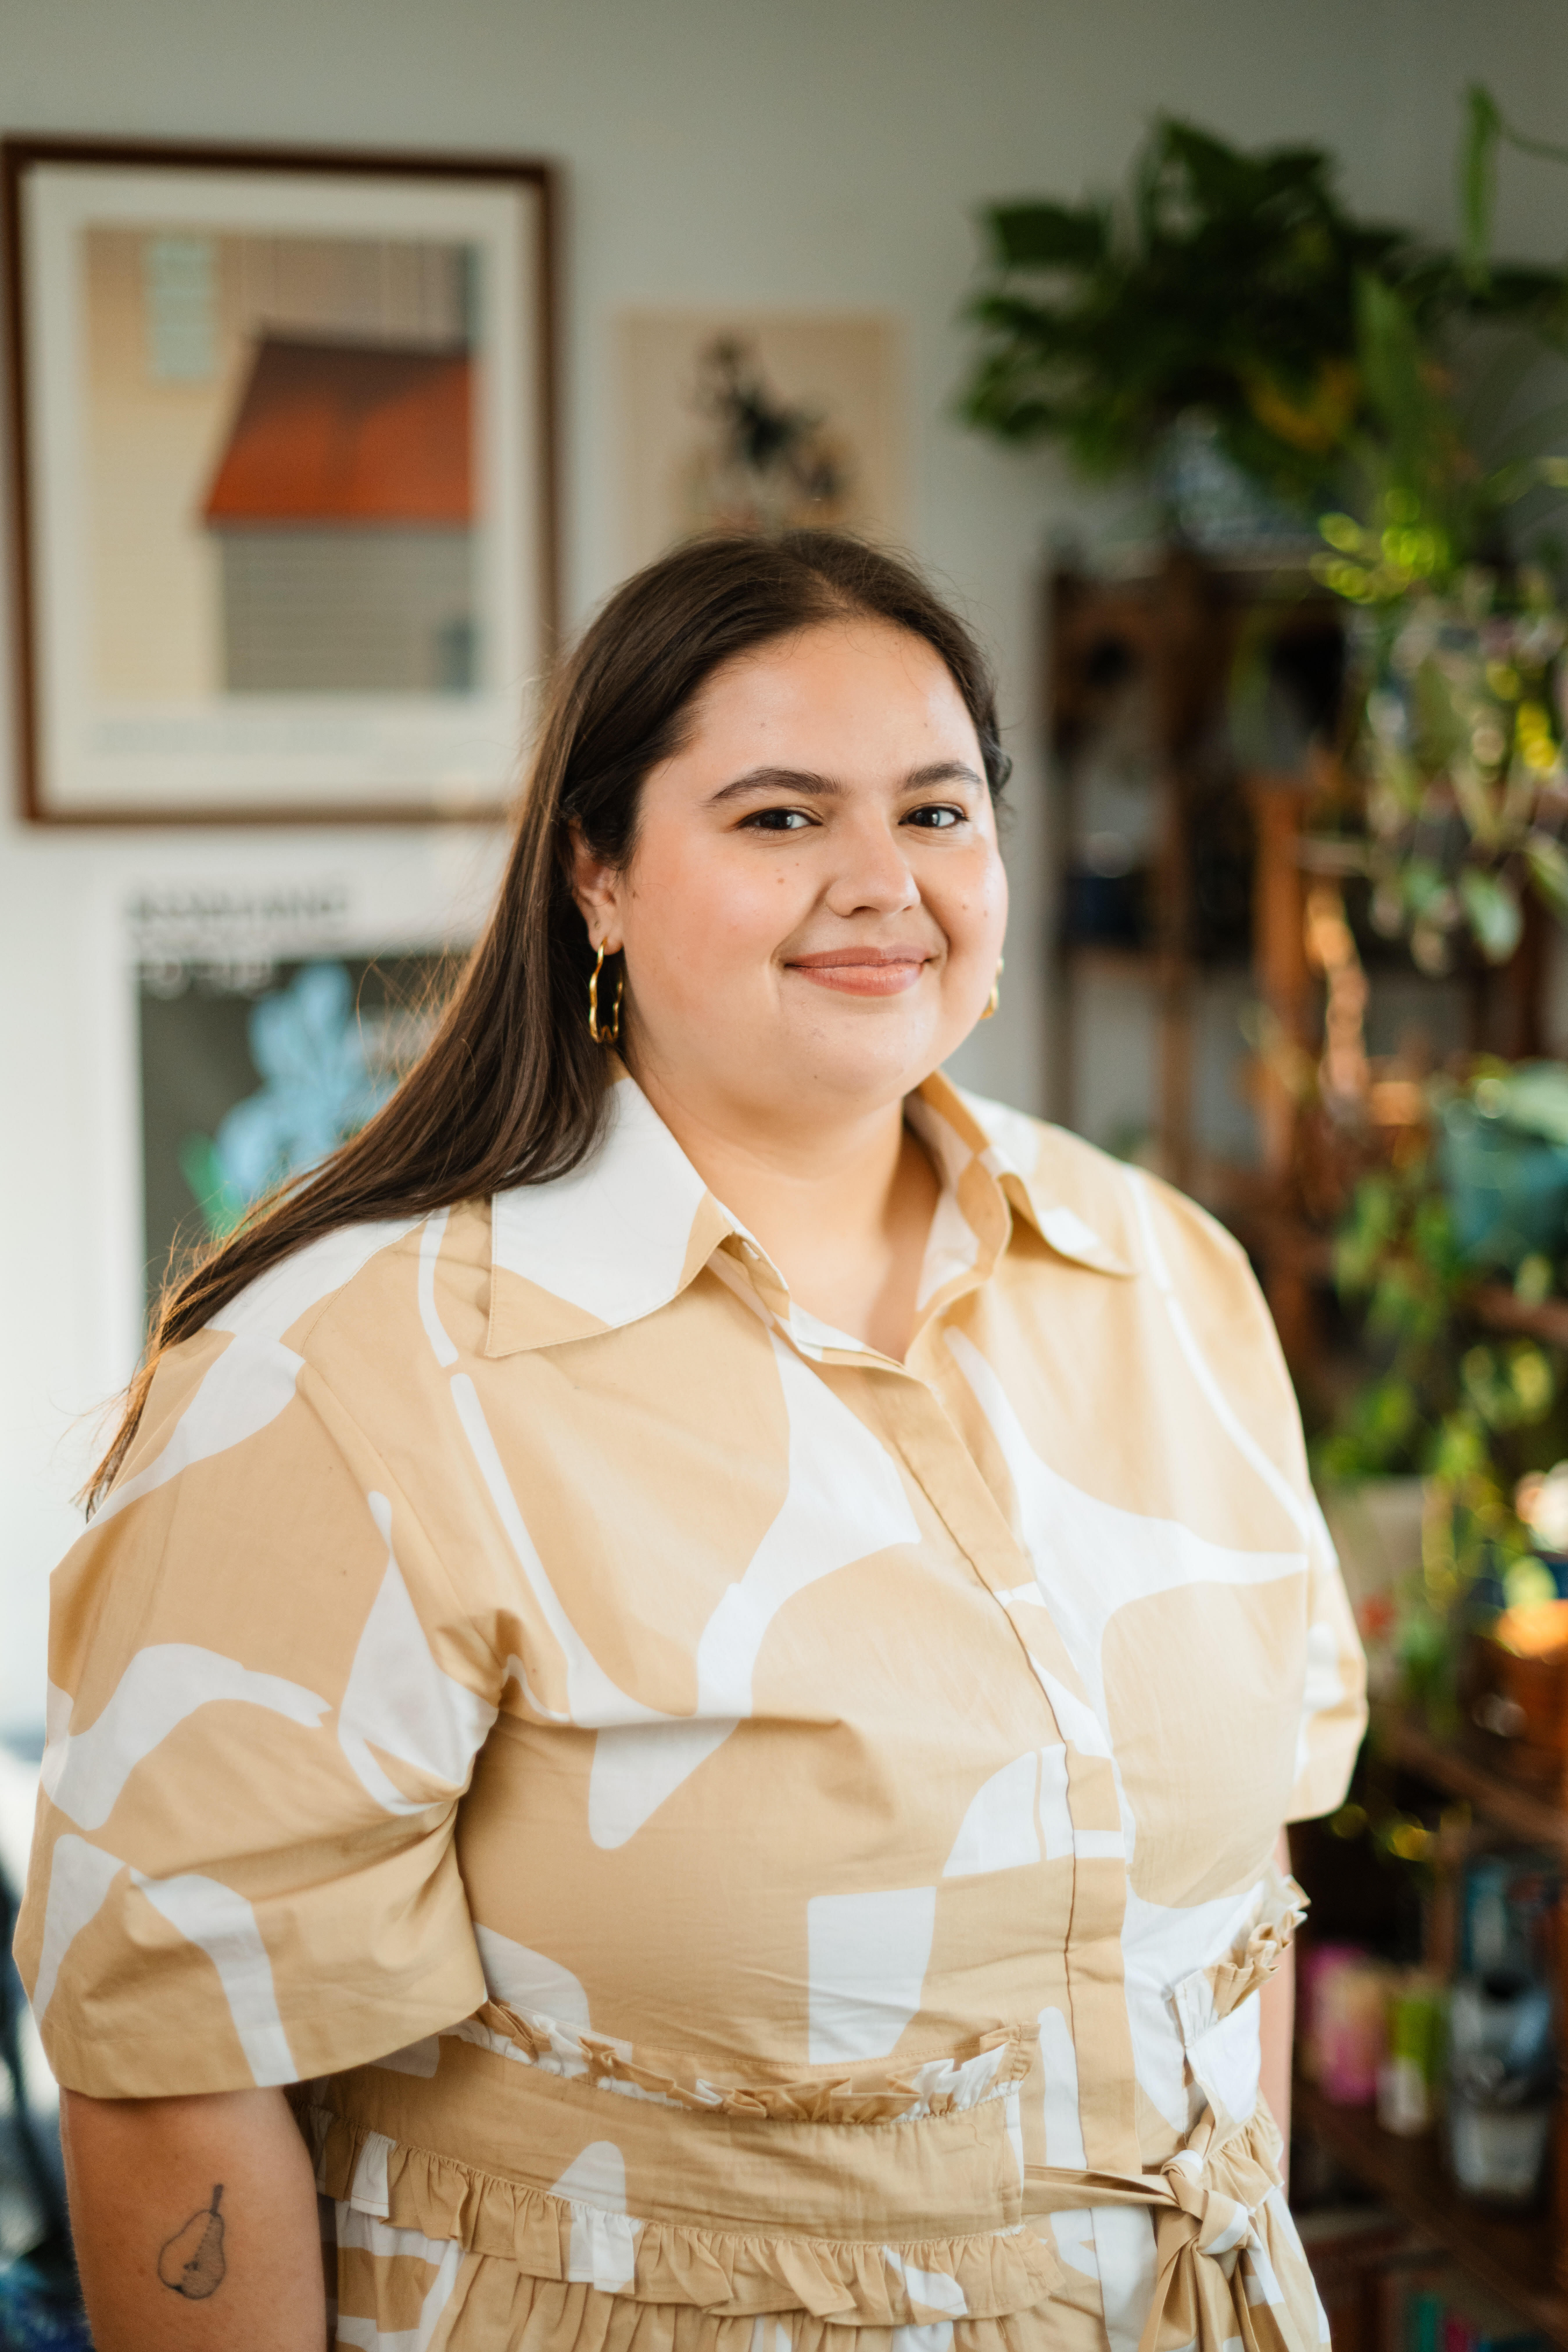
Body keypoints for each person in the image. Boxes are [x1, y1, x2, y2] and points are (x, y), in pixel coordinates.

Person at [17, 531, 1365, 2352]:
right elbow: (180, 2072)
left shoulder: (1164, 1276)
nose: (882, 884)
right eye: (779, 817)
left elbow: (1238, 1920)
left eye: (936, 811)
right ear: (597, 875)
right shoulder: (343, 1378)